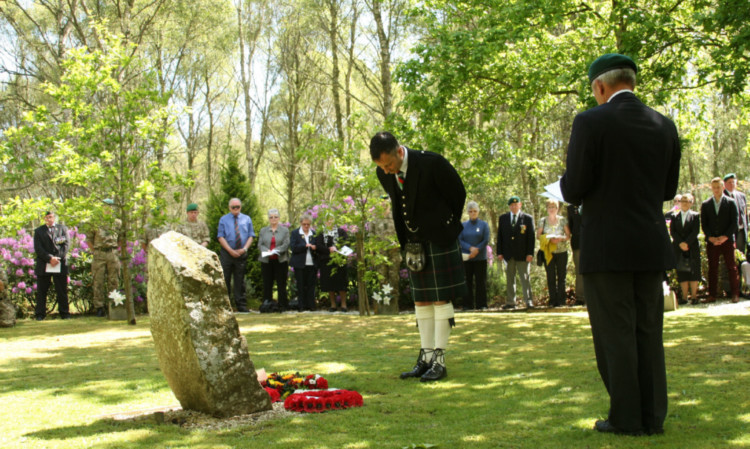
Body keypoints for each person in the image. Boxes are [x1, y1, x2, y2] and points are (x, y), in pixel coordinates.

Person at [560, 53, 680, 436]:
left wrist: (567, 187)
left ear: (599, 86)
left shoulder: (590, 121)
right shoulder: (664, 124)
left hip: (607, 246)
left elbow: (574, 186)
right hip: (648, 242)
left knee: (615, 333)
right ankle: (652, 416)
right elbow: (669, 189)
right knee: (648, 331)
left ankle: (626, 416)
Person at [371, 131, 467, 382]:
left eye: (389, 165)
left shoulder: (432, 163)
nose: (387, 171)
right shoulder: (384, 172)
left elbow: (458, 193)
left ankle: (440, 360)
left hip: (440, 238)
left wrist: (444, 223)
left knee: (440, 299)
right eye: (382, 167)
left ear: (399, 152)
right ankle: (425, 358)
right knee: (422, 300)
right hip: (413, 243)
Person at [700, 177, 740, 303]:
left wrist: (725, 236)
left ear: (723, 187)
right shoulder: (706, 204)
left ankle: (735, 294)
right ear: (711, 188)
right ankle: (712, 295)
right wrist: (710, 237)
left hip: (727, 240)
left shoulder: (731, 202)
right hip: (712, 241)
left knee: (731, 267)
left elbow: (734, 222)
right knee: (713, 268)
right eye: (714, 187)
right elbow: (704, 224)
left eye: (718, 187)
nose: (716, 190)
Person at [495, 196, 535, 309]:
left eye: (516, 204)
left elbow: (531, 238)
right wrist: (499, 252)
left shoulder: (527, 218)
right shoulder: (503, 218)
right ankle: (510, 302)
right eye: (511, 205)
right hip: (508, 254)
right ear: (509, 206)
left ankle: (529, 301)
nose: (514, 207)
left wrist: (530, 253)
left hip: (523, 254)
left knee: (525, 279)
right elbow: (500, 236)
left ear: (520, 205)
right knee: (510, 279)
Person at [217, 198, 255, 313]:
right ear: (229, 208)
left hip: (241, 253)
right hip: (227, 253)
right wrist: (229, 250)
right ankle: (226, 305)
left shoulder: (247, 219)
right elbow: (220, 236)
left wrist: (244, 249)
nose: (236, 209)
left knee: (240, 280)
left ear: (240, 207)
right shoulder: (223, 219)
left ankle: (241, 305)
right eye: (233, 207)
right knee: (225, 279)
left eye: (238, 207)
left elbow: (251, 236)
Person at [33, 211, 71, 320]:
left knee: (62, 290)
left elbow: (66, 245)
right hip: (44, 263)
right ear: (44, 219)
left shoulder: (62, 229)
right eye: (46, 218)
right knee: (42, 291)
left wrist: (57, 258)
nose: (49, 219)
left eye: (50, 217)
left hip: (60, 263)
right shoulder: (39, 231)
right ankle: (40, 314)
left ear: (54, 217)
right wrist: (50, 258)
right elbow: (38, 248)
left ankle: (64, 313)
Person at [90, 199, 121, 317]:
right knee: (98, 280)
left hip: (112, 253)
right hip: (99, 254)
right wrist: (96, 251)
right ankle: (99, 307)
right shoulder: (95, 222)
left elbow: (121, 239)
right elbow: (89, 239)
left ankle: (113, 305)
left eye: (110, 206)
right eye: (105, 206)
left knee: (114, 280)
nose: (108, 208)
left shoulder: (117, 223)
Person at [536, 199, 571, 307]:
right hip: (548, 252)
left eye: (553, 207)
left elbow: (568, 236)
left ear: (557, 209)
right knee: (550, 276)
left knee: (562, 276)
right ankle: (552, 300)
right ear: (547, 209)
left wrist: (560, 238)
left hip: (562, 252)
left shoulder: (563, 220)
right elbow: (538, 235)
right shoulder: (543, 220)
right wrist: (548, 239)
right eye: (549, 207)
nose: (551, 209)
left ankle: (561, 300)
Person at [458, 201, 490, 310]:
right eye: (470, 211)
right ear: (468, 212)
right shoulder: (463, 225)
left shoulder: (484, 225)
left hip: (480, 258)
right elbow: (460, 240)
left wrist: (477, 250)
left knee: (481, 282)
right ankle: (467, 305)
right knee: (467, 282)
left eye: (475, 211)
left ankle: (482, 304)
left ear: (478, 212)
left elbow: (486, 240)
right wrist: (470, 248)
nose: (473, 213)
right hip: (467, 258)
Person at [670, 193, 701, 305]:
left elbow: (695, 231)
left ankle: (693, 296)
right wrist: (681, 243)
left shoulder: (695, 215)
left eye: (686, 201)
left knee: (693, 271)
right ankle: (684, 297)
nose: (684, 203)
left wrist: (687, 243)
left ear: (691, 203)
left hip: (692, 247)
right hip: (679, 248)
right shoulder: (674, 216)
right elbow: (673, 232)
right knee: (682, 272)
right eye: (682, 201)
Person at [257, 208, 290, 311]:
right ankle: (267, 304)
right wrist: (267, 251)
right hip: (266, 261)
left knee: (281, 283)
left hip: (280, 260)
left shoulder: (284, 230)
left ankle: (282, 305)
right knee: (267, 283)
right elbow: (260, 244)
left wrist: (276, 250)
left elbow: (286, 244)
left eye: (275, 217)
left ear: (279, 218)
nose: (273, 219)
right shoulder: (263, 230)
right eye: (271, 217)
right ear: (268, 219)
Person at [316, 217, 350, 312]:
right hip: (326, 261)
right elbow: (318, 246)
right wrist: (328, 250)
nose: (329, 221)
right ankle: (333, 305)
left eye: (331, 219)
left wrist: (338, 248)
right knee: (329, 283)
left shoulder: (341, 231)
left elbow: (346, 242)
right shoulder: (321, 233)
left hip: (339, 260)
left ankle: (343, 305)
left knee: (342, 282)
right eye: (327, 220)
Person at [289, 213, 317, 311]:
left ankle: (311, 305)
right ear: (301, 223)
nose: (306, 226)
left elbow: (317, 247)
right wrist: (304, 246)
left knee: (311, 285)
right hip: (299, 264)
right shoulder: (295, 233)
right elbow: (293, 247)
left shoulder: (313, 233)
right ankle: (301, 305)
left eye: (308, 224)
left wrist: (314, 247)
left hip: (312, 263)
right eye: (304, 224)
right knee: (300, 285)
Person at [723, 174, 747, 254]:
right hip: (728, 233)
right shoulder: (721, 197)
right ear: (725, 184)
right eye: (729, 182)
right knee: (730, 255)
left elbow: (744, 213)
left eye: (733, 182)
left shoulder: (741, 196)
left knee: (741, 254)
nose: (732, 184)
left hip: (741, 231)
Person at [567, 204, 585, 305]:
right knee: (579, 271)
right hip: (577, 243)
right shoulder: (570, 208)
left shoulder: (590, 203)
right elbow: (570, 226)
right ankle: (580, 298)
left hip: (592, 243)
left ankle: (592, 297)